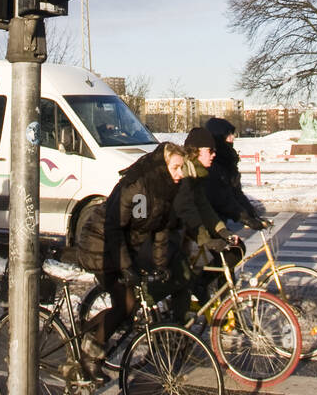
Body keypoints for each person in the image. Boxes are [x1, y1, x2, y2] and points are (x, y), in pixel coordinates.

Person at [76, 142, 187, 379]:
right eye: (176, 168)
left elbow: (160, 230)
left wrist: (160, 265)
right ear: (163, 166)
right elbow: (116, 227)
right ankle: (90, 353)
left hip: (121, 247)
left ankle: (88, 334)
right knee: (125, 304)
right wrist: (127, 268)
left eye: (182, 168)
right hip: (101, 244)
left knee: (130, 304)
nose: (180, 174)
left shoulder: (166, 189)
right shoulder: (139, 187)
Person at [172, 127, 244, 308]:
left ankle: (199, 287)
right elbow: (186, 210)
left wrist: (222, 231)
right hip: (171, 230)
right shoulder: (185, 173)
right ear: (196, 151)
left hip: (185, 229)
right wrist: (206, 240)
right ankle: (172, 329)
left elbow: (204, 207)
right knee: (180, 280)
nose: (213, 155)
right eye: (210, 151)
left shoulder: (198, 173)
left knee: (235, 249)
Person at [204, 117, 265, 231]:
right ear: (218, 137)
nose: (232, 138)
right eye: (228, 135)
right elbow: (222, 198)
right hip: (209, 221)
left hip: (220, 220)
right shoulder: (212, 162)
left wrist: (252, 215)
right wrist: (245, 218)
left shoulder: (228, 160)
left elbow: (236, 192)